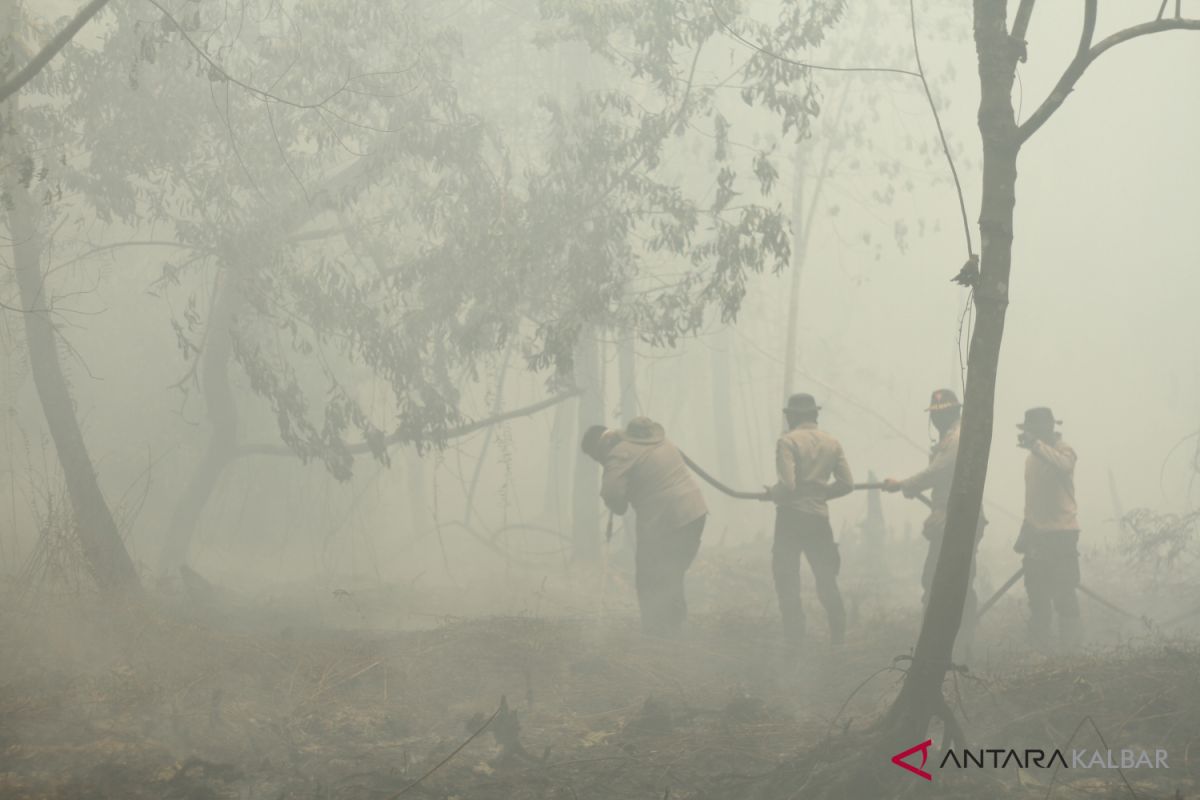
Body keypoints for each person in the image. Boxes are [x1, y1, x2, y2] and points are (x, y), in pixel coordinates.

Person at [581, 417, 708, 637]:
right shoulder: (657, 442)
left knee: (650, 577)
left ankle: (656, 634)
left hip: (666, 521)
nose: (600, 461)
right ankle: (674, 632)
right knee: (672, 574)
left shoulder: (620, 453)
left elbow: (612, 494)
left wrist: (618, 499)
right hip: (695, 513)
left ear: (601, 447)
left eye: (596, 456)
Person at [882, 389, 986, 650]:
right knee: (936, 580)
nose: (938, 419)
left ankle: (958, 644)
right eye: (936, 415)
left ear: (955, 412)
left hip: (960, 519)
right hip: (949, 518)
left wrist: (905, 484)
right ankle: (944, 643)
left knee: (954, 582)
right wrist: (911, 486)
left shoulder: (958, 437)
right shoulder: (949, 439)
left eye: (944, 414)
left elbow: (940, 470)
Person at [763, 393, 852, 648]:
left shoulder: (788, 441)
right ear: (814, 415)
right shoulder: (832, 443)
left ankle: (795, 641)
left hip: (791, 518)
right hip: (819, 520)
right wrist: (821, 494)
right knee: (826, 580)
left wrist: (771, 494)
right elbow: (847, 484)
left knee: (787, 580)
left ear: (792, 417)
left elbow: (788, 485)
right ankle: (838, 639)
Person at [1015, 406, 1082, 651]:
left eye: (1035, 430)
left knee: (1064, 593)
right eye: (1029, 431)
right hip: (1037, 536)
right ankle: (1039, 651)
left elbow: (1064, 465)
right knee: (1037, 594)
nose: (1031, 435)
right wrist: (1026, 527)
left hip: (1062, 535)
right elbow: (1032, 499)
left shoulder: (1064, 450)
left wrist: (1037, 446)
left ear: (1049, 429)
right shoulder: (1032, 459)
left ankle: (1071, 653)